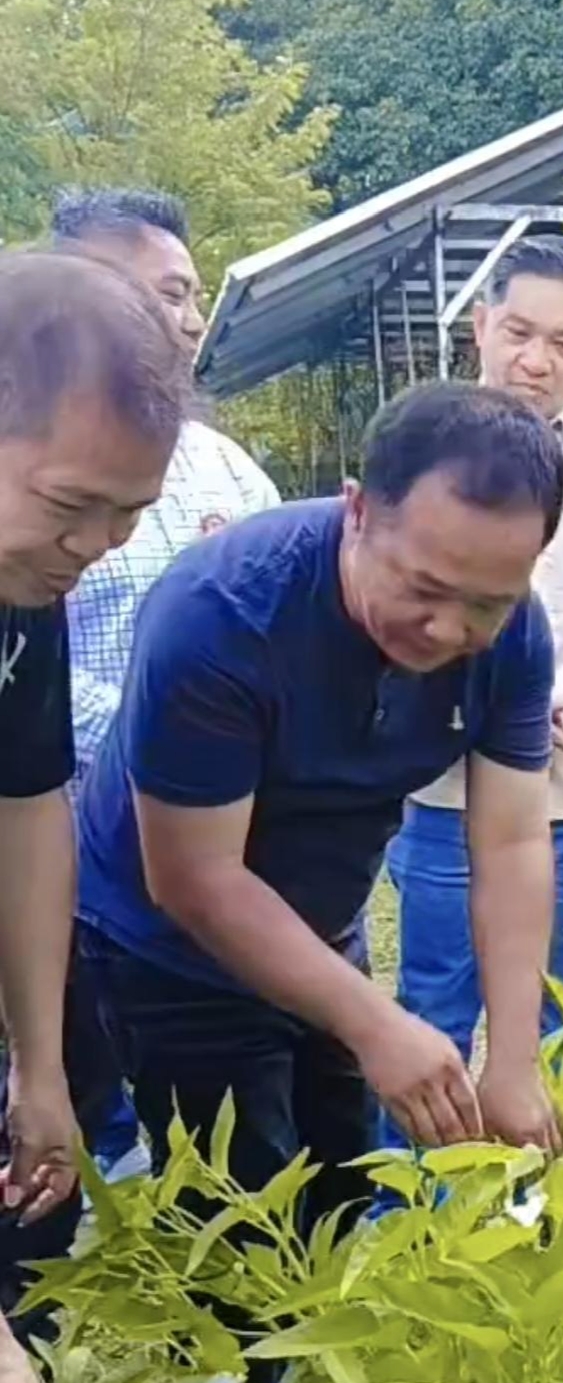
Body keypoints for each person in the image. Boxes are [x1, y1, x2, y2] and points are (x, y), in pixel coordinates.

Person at [75, 385, 563, 1240]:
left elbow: (513, 840)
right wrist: (375, 1020)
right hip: (168, 950)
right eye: (424, 586)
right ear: (357, 511)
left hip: (320, 920)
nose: (447, 628)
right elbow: (195, 877)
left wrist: (515, 1064)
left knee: (339, 1190)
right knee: (243, 1230)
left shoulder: (516, 634)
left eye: (487, 603)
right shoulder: (221, 615)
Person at [388, 239, 563, 1071]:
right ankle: (426, 1195)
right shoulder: (419, 442)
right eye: (518, 331)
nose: (535, 359)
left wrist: (557, 698)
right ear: (480, 325)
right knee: (434, 1000)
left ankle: (544, 1199)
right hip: (442, 785)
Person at [52, 186, 280, 1184]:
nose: (190, 320)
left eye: (193, 298)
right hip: (57, 831)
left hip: (207, 845)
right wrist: (168, 745)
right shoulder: (29, 467)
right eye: (167, 294)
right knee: (63, 1067)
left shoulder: (226, 471)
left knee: (213, 1113)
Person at [0, 248, 188, 1370]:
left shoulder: (25, 595)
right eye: (71, 504)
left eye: (130, 513)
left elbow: (27, 812)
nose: (96, 547)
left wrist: (41, 1067)